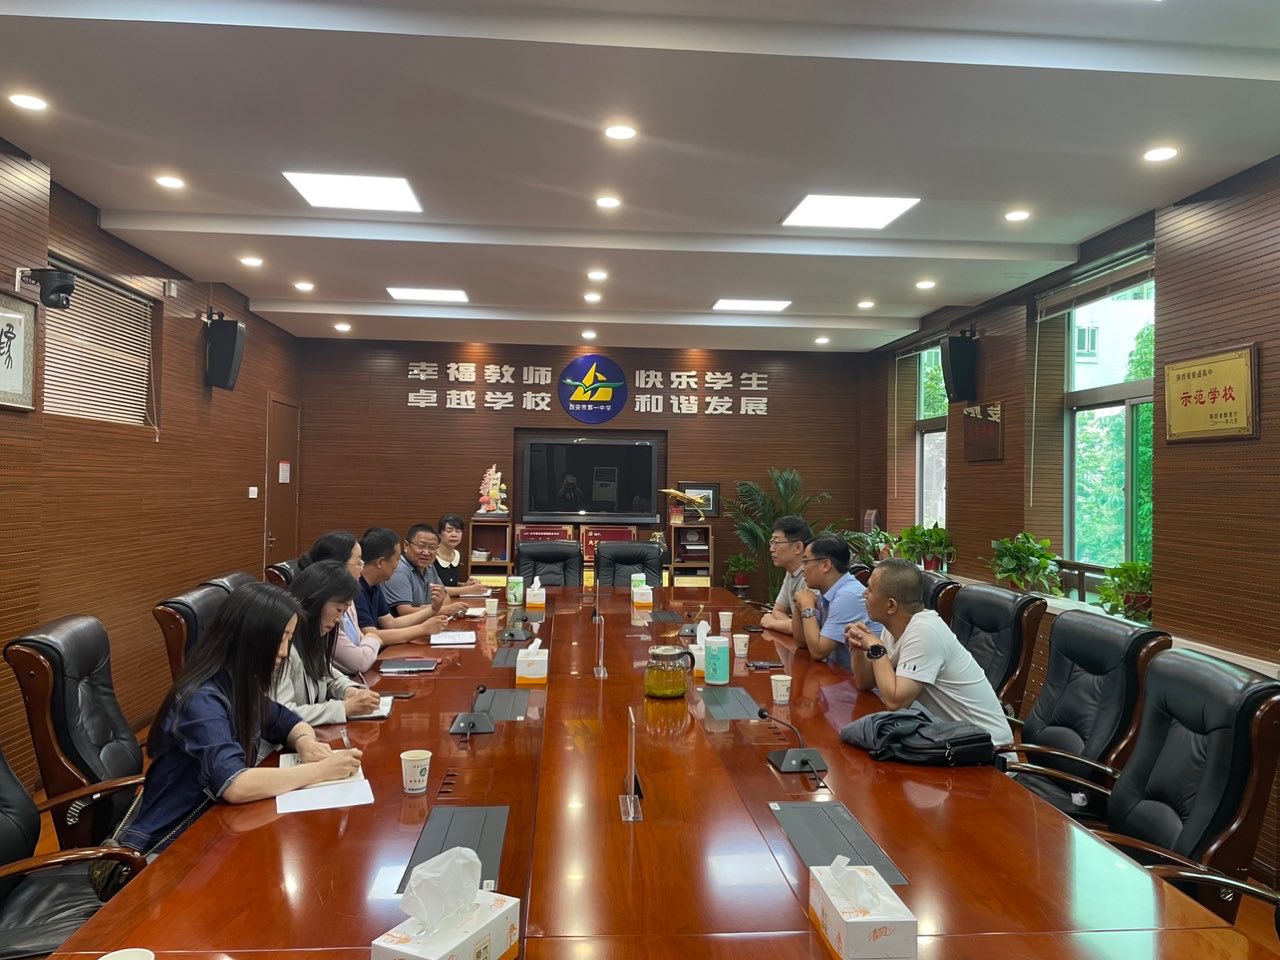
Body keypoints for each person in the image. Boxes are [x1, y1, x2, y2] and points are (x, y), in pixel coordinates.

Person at [118, 583, 361, 855]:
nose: (284, 651)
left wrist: (306, 742)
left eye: (288, 639)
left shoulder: (239, 684)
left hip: (217, 827)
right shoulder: (201, 699)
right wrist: (322, 771)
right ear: (251, 637)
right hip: (168, 845)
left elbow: (286, 720)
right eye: (280, 639)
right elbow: (234, 784)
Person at [845, 559, 1010, 746]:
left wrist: (877, 649)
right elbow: (866, 683)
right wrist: (857, 646)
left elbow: (896, 703)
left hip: (988, 747)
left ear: (891, 606)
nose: (864, 593)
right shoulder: (893, 627)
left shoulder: (925, 631)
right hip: (946, 739)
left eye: (870, 589)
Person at [275, 561, 383, 724]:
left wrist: (349, 690)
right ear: (316, 600)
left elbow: (328, 676)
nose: (339, 619)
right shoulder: (282, 649)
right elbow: (281, 714)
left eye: (344, 612)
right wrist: (344, 708)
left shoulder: (312, 638)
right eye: (338, 610)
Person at [298, 530, 383, 674]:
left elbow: (328, 673)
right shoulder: (321, 610)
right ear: (337, 565)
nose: (362, 569)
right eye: (358, 562)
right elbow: (358, 662)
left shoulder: (347, 597)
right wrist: (373, 639)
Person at [792, 533, 879, 671]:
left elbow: (818, 652)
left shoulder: (848, 595)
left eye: (806, 561)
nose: (802, 568)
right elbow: (802, 642)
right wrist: (800, 604)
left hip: (857, 680)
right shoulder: (829, 591)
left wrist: (807, 606)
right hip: (839, 673)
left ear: (826, 565)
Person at [356, 527, 450, 644]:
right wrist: (423, 629)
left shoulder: (374, 585)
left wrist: (432, 610)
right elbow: (370, 636)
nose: (398, 564)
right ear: (380, 562)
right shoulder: (356, 589)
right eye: (397, 558)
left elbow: (390, 623)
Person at [386, 524, 468, 617]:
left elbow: (445, 598)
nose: (426, 552)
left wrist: (429, 608)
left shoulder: (429, 567)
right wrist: (441, 609)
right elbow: (405, 612)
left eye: (432, 548)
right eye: (421, 546)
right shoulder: (399, 570)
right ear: (406, 545)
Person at [759, 515, 813, 635]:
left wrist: (771, 623)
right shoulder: (791, 572)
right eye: (772, 542)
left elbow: (809, 629)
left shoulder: (813, 575)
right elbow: (778, 610)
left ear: (798, 547)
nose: (771, 549)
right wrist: (792, 626)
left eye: (777, 542)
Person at [434, 514, 485, 596]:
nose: (454, 535)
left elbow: (450, 583)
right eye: (449, 531)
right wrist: (467, 590)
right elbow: (434, 589)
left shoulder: (457, 554)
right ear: (439, 534)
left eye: (458, 531)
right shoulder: (431, 556)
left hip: (451, 600)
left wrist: (465, 585)